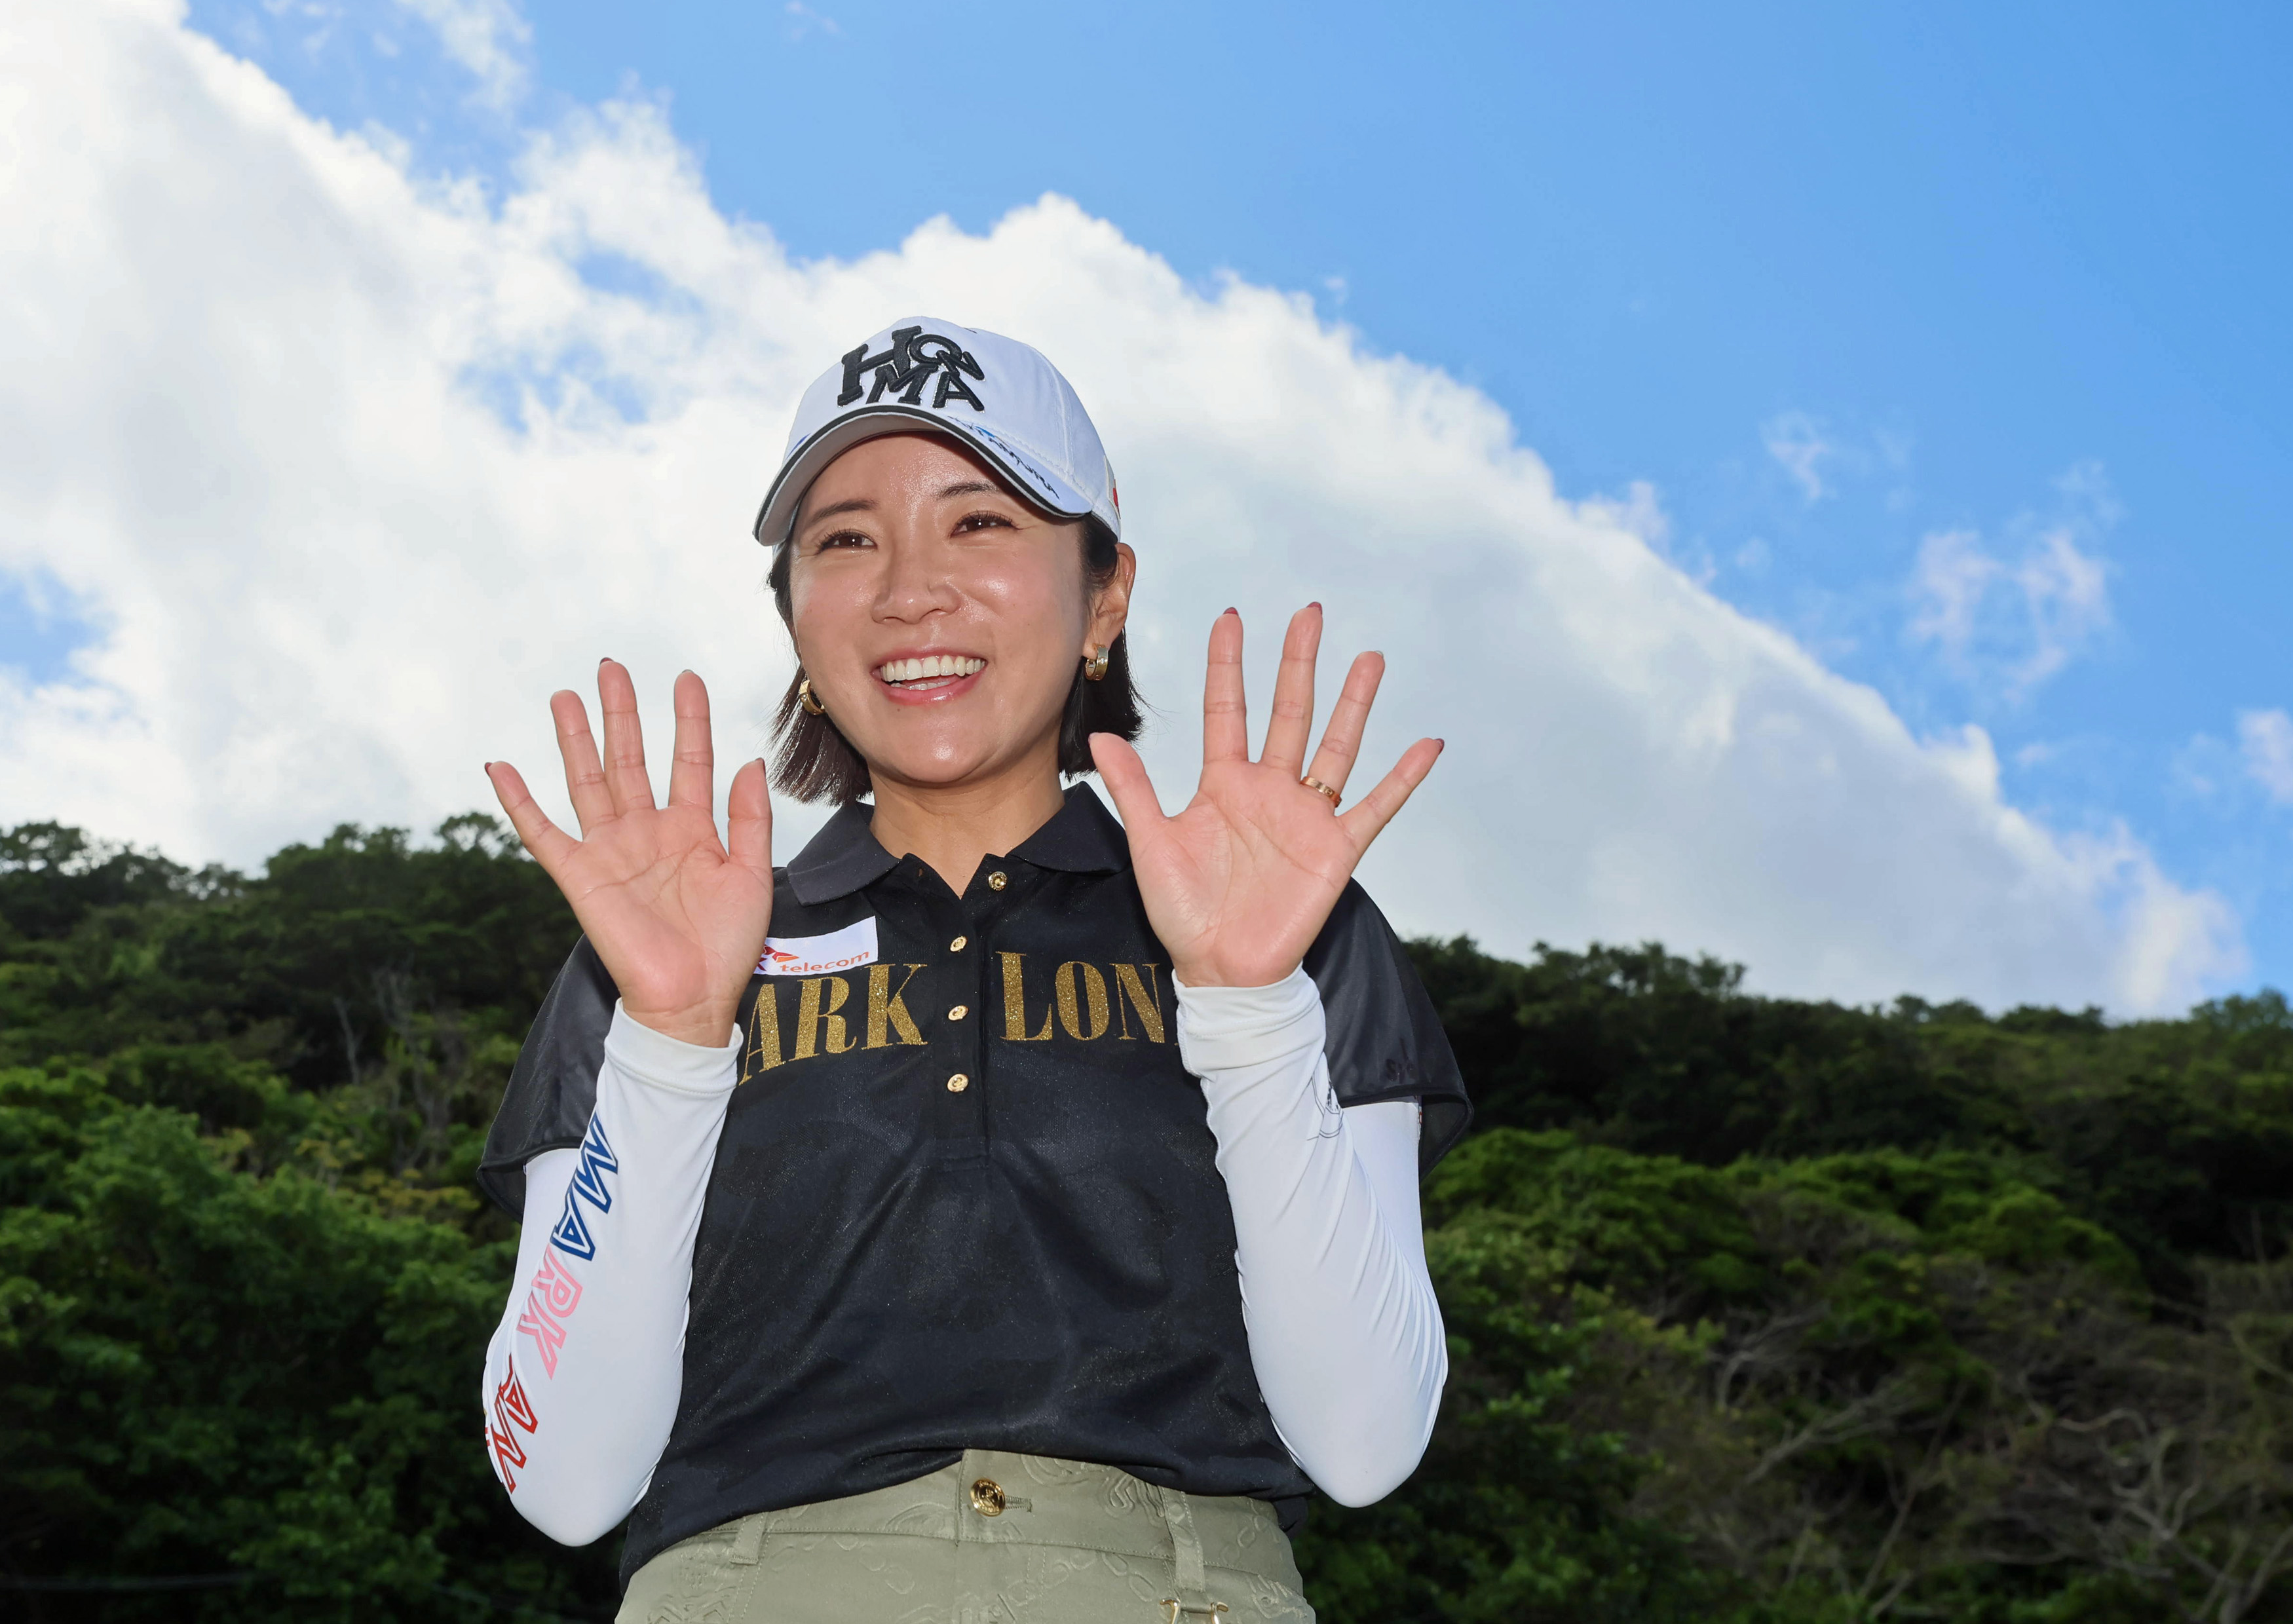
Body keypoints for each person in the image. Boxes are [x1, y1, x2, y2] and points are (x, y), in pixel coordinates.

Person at [474, 318, 1471, 1624]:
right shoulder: (665, 953)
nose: (907, 589)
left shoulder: (1290, 925)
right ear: (794, 616)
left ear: (1103, 596)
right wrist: (669, 1039)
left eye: (980, 523)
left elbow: (1364, 1440)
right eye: (844, 539)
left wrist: (1244, 1003)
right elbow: (561, 1476)